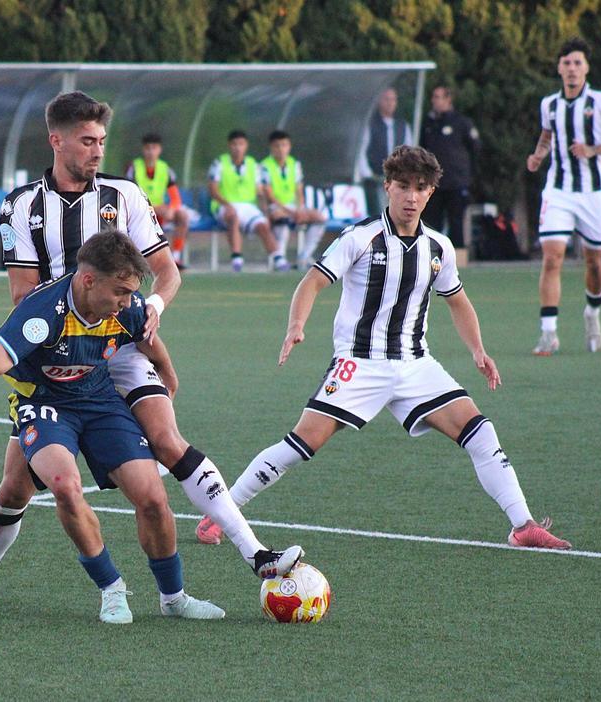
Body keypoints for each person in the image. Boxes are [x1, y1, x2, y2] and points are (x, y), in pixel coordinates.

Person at [0, 91, 300, 609]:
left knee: (167, 440)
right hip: (51, 353)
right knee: (17, 488)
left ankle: (254, 555)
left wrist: (151, 307)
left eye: (102, 141)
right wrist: (75, 312)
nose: (97, 151)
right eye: (87, 141)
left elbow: (167, 271)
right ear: (57, 140)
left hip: (120, 338)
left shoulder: (126, 195)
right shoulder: (21, 206)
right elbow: (23, 296)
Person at [198, 146, 572, 550]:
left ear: (431, 193)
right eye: (404, 187)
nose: (412, 197)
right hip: (360, 363)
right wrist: (296, 325)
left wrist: (478, 350)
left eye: (421, 188)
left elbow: (457, 300)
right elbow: (312, 282)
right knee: (300, 445)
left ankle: (523, 525)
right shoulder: (361, 237)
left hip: (415, 364)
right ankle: (220, 514)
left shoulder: (439, 247)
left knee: (480, 432)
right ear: (388, 187)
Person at [0, 232, 226, 623]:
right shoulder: (42, 314)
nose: (128, 302)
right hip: (43, 404)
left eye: (131, 293)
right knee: (64, 485)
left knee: (153, 499)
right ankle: (111, 589)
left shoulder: (125, 306)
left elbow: (146, 335)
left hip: (99, 401)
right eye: (121, 291)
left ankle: (174, 598)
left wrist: (167, 374)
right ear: (88, 280)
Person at [526, 38, 601, 355]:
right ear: (559, 68)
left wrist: (594, 150)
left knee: (595, 262)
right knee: (552, 256)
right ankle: (548, 332)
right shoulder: (550, 104)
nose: (572, 69)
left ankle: (592, 313)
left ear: (586, 67)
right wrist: (538, 155)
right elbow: (546, 135)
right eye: (566, 63)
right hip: (558, 191)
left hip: (594, 193)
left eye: (577, 63)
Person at [207, 130, 284, 272]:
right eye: (234, 144)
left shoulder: (253, 165)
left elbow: (260, 192)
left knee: (262, 225)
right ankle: (237, 258)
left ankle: (278, 258)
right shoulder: (219, 163)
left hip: (247, 206)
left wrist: (265, 212)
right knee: (233, 217)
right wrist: (227, 204)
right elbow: (213, 190)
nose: (237, 147)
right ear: (229, 146)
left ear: (246, 146)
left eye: (241, 144)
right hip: (224, 205)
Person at [420, 85, 481, 255]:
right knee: (432, 223)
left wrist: (467, 176)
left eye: (439, 97)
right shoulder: (428, 123)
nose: (435, 101)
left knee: (456, 222)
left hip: (456, 182)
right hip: (434, 183)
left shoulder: (461, 122)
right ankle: (431, 257)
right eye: (434, 97)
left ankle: (458, 259)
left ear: (448, 99)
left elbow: (475, 149)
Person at [259, 130, 327, 270]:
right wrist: (290, 211)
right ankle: (280, 259)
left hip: (293, 207)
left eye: (284, 145)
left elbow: (299, 190)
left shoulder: (294, 164)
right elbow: (269, 195)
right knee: (281, 218)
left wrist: (300, 208)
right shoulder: (265, 166)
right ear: (271, 148)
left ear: (289, 146)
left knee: (320, 218)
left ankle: (304, 256)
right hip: (275, 206)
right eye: (277, 146)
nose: (281, 149)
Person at [126, 133, 189, 268]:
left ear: (159, 150)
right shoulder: (134, 168)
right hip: (140, 211)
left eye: (154, 148)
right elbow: (129, 195)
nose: (151, 152)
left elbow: (175, 198)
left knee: (182, 216)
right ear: (143, 150)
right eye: (148, 148)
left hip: (160, 212)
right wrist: (152, 208)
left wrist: (171, 210)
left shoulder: (165, 169)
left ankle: (175, 257)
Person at [357, 87, 414, 211]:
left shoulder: (403, 126)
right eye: (386, 99)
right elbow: (361, 150)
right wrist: (367, 174)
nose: (390, 103)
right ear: (379, 101)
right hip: (376, 179)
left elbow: (409, 153)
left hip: (397, 180)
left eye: (393, 100)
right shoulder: (370, 124)